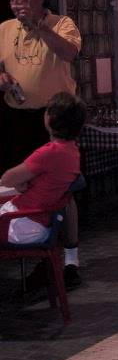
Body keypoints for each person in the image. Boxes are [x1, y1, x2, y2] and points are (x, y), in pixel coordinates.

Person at [2, 0, 84, 287]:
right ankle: (32, 251)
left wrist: (40, 27)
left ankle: (70, 259)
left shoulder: (61, 23)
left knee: (62, 191)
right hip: (17, 116)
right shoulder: (5, 29)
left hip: (55, 118)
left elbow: (69, 53)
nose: (16, 5)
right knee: (21, 184)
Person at [0, 92, 85, 249]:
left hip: (23, 222)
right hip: (37, 222)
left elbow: (6, 179)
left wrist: (20, 181)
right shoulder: (72, 152)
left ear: (50, 118)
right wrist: (24, 183)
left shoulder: (49, 153)